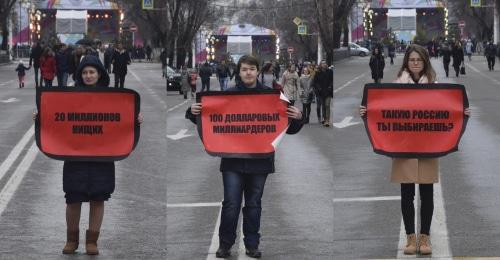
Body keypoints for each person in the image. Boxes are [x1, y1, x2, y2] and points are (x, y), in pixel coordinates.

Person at [186, 55, 304, 259]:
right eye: (244, 69)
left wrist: (298, 118)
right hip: (232, 160)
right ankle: (225, 245)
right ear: (239, 72)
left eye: (251, 69)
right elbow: (211, 121)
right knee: (231, 204)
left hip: (260, 161)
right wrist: (192, 112)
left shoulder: (273, 96)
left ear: (258, 71)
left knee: (253, 204)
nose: (248, 72)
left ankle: (252, 244)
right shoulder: (228, 96)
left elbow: (287, 128)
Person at [360, 44, 470, 256]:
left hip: (428, 145)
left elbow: (446, 109)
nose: (415, 63)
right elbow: (382, 109)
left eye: (419, 59)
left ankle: (425, 237)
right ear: (406, 63)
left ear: (425, 62)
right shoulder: (397, 85)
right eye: (412, 60)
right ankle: (411, 238)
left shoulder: (435, 86)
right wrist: (366, 109)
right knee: (407, 193)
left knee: (427, 194)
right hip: (404, 145)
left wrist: (462, 111)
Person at [50, 55, 142, 255]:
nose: (88, 75)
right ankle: (71, 240)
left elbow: (120, 120)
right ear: (79, 75)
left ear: (99, 74)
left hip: (103, 156)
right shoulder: (70, 96)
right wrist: (40, 117)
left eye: (92, 72)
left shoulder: (112, 98)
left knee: (98, 198)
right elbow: (57, 119)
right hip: (75, 156)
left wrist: (135, 120)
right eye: (84, 72)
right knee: (73, 198)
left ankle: (92, 241)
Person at [312, 60, 333, 127]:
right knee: (323, 106)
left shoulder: (330, 71)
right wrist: (318, 88)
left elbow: (332, 80)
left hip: (328, 91)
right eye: (322, 63)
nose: (324, 64)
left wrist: (330, 86)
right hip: (321, 92)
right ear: (320, 65)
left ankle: (327, 120)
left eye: (325, 63)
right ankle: (324, 118)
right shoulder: (318, 72)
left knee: (327, 105)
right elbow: (315, 82)